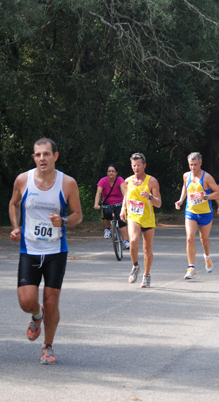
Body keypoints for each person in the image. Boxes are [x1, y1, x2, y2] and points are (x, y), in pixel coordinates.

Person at [8, 138, 82, 365]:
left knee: (52, 302)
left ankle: (47, 346)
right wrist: (15, 227)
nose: (42, 158)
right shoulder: (23, 179)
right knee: (26, 301)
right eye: (38, 154)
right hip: (29, 249)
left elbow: (78, 214)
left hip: (55, 251)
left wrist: (64, 221)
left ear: (55, 156)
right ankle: (36, 315)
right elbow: (13, 204)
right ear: (34, 157)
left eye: (46, 154)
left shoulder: (67, 183)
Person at [174, 152, 219, 279]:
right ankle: (191, 268)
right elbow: (185, 188)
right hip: (191, 212)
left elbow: (218, 193)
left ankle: (207, 257)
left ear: (200, 163)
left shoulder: (207, 177)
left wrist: (206, 196)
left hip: (205, 213)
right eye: (191, 165)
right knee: (189, 238)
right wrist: (180, 200)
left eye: (195, 164)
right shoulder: (186, 175)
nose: (193, 167)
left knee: (204, 239)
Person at [119, 153, 162, 288]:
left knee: (147, 249)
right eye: (133, 165)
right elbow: (126, 196)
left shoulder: (152, 181)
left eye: (138, 165)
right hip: (133, 216)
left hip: (147, 218)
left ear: (144, 165)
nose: (136, 168)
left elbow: (159, 203)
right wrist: (123, 209)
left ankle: (147, 275)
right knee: (133, 241)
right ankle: (136, 265)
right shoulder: (127, 181)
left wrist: (150, 196)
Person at [93, 163, 129, 250]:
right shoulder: (103, 181)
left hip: (119, 203)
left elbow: (124, 192)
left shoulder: (120, 180)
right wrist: (96, 204)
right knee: (106, 213)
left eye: (113, 171)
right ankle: (108, 229)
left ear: (116, 173)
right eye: (109, 171)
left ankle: (125, 241)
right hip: (107, 203)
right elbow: (98, 193)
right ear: (107, 173)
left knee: (121, 221)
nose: (111, 173)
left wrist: (126, 203)